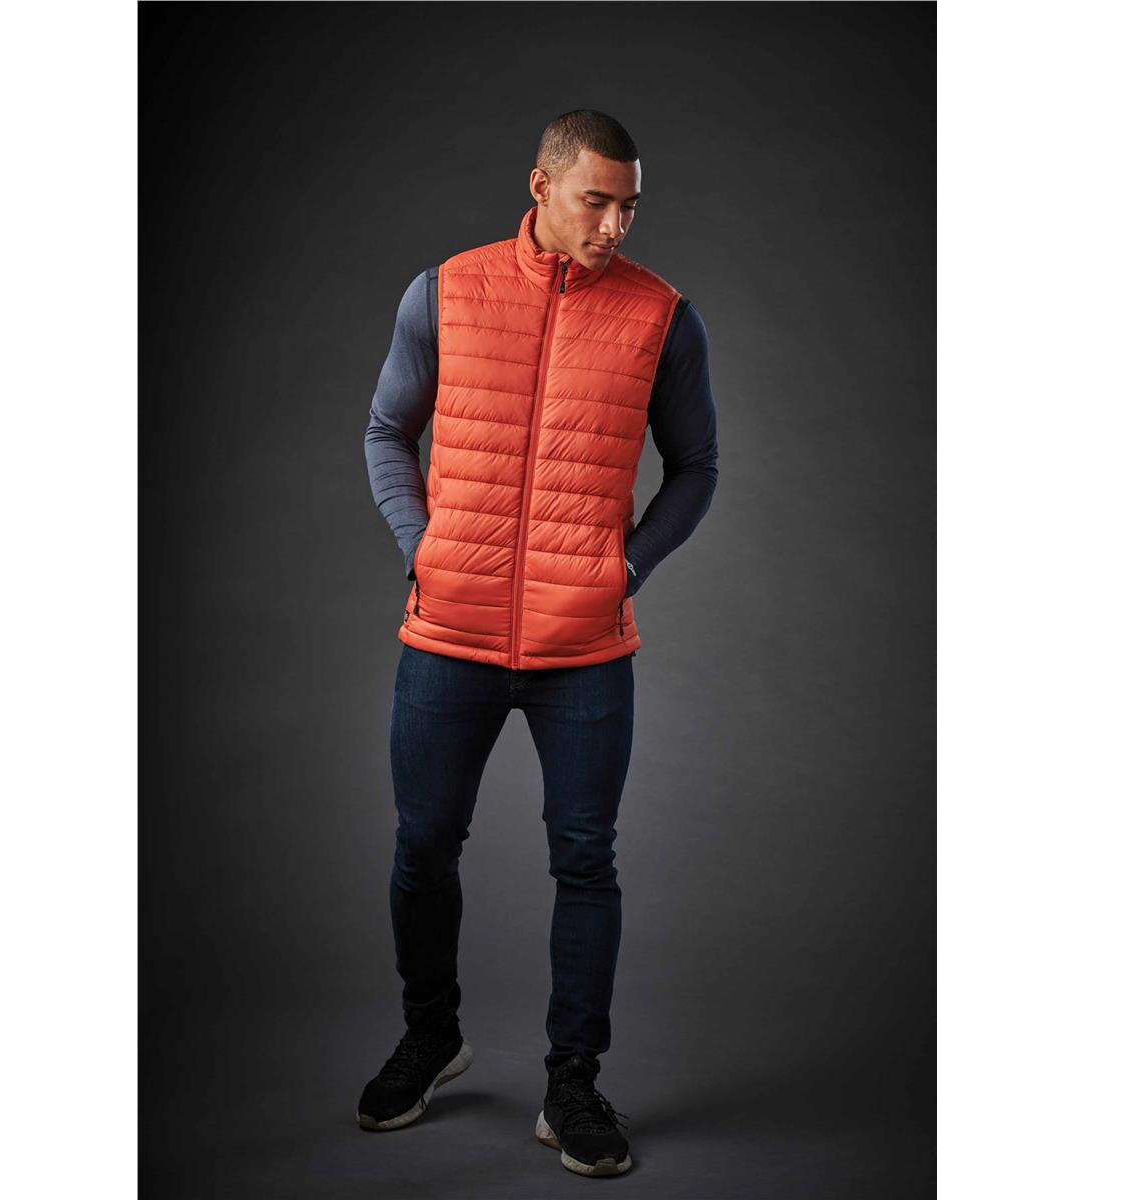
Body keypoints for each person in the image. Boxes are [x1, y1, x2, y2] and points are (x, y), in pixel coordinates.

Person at [358, 109, 719, 1178]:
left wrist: (624, 569)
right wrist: (423, 550)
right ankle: (432, 1037)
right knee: (424, 847)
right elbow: (386, 429)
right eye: (595, 200)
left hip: (585, 648)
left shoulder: (662, 317)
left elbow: (697, 467)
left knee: (585, 860)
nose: (613, 225)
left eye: (629, 206)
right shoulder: (445, 292)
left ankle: (574, 1083)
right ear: (542, 185)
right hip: (449, 633)